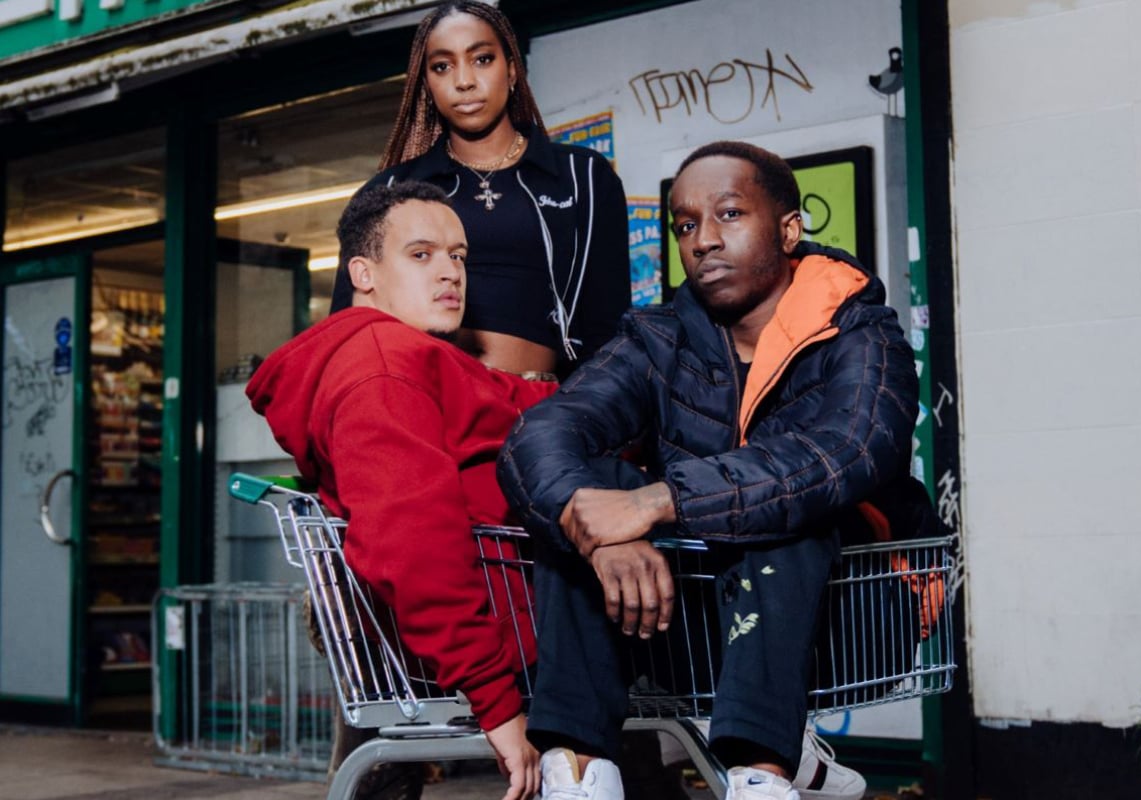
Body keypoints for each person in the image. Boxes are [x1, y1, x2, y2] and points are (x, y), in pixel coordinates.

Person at [498, 141, 922, 800]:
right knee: (593, 487)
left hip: (851, 617)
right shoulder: (657, 339)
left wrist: (659, 502)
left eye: (728, 214)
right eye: (686, 225)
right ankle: (581, 774)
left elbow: (848, 451)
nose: (702, 241)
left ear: (788, 229)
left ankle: (763, 775)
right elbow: (540, 435)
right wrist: (606, 534)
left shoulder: (861, 332)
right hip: (692, 624)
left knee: (787, 511)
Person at [247, 180, 556, 800]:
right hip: (524, 625)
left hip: (529, 610)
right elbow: (414, 544)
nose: (449, 272)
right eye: (421, 255)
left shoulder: (416, 356)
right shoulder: (382, 368)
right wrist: (494, 700)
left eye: (458, 256)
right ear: (363, 273)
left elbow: (515, 405)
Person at [329, 0, 631, 379]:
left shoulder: (582, 175)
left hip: (544, 412)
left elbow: (609, 326)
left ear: (513, 69)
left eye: (482, 59)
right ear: (427, 85)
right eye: (442, 66)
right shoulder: (393, 191)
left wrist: (588, 421)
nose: (464, 81)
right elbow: (349, 331)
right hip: (421, 405)